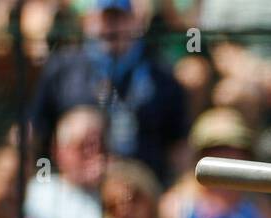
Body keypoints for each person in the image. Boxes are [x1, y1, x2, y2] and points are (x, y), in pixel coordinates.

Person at [30, 0, 189, 183]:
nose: (111, 28)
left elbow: (178, 145)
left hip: (142, 191)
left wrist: (176, 188)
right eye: (104, 19)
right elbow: (37, 130)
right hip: (73, 188)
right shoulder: (63, 68)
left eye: (119, 19)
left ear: (135, 22)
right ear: (89, 22)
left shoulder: (161, 74)